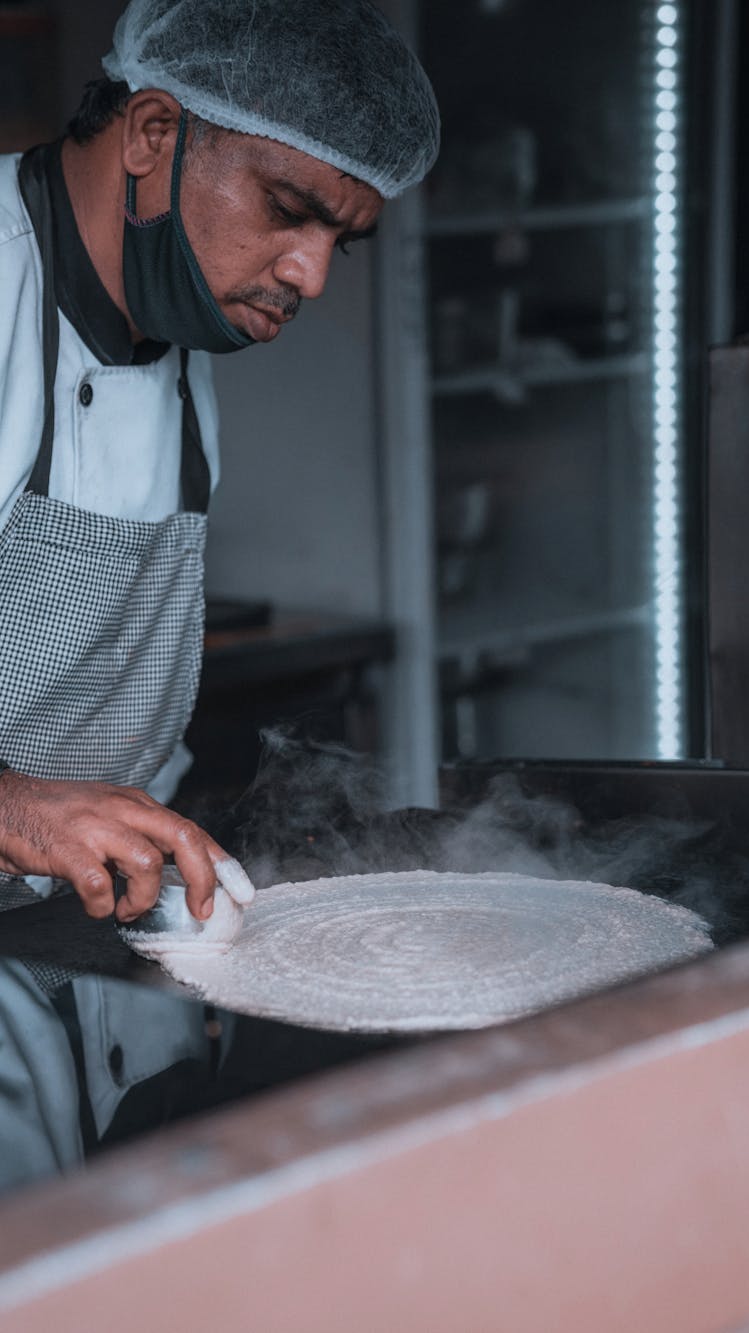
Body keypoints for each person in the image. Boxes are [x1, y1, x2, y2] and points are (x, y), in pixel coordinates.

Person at [0, 0, 440, 925]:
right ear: (152, 134)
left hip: (81, 944)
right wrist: (17, 805)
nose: (311, 276)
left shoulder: (181, 344)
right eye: (288, 210)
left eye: (340, 242)